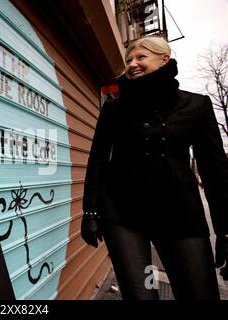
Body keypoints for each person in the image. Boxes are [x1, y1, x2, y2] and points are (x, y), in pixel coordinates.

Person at [81, 36, 228, 300]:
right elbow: (98, 160)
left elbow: (215, 171)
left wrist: (225, 229)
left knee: (199, 292)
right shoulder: (114, 110)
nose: (132, 64)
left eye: (140, 57)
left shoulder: (197, 105)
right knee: (142, 295)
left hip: (181, 213)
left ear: (164, 60)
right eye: (128, 60)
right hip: (123, 215)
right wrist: (90, 211)